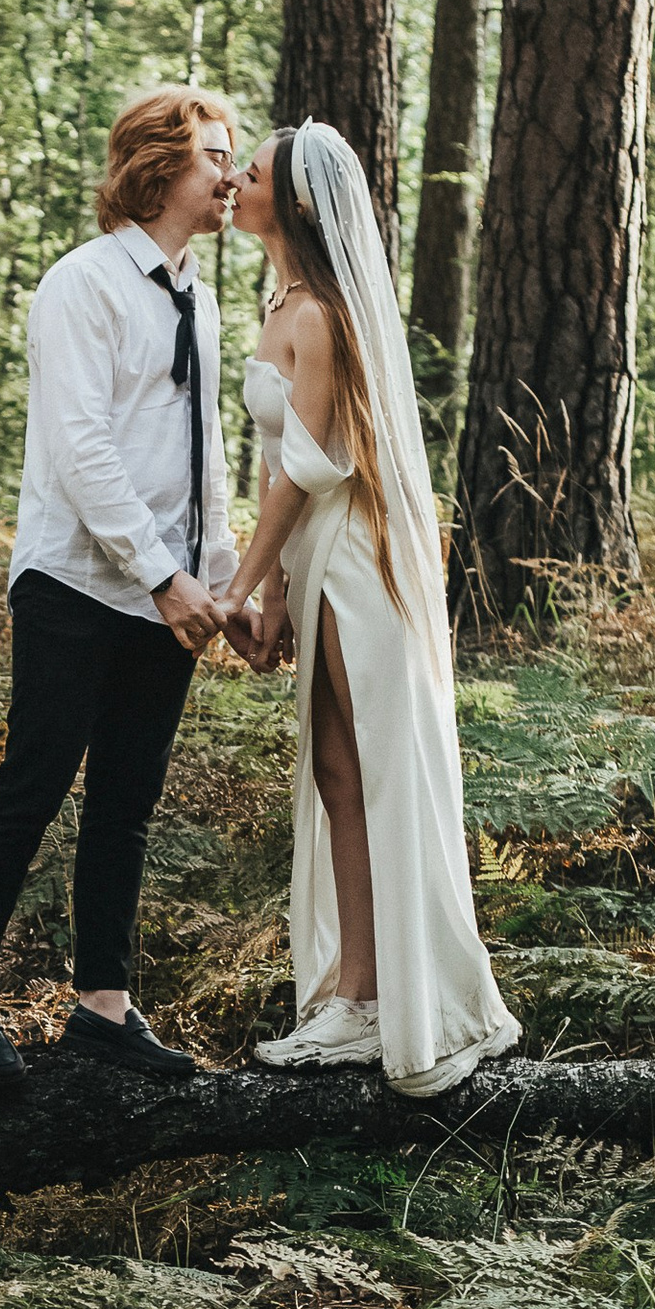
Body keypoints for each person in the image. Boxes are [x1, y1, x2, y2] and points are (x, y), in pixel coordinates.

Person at [0, 87, 241, 1098]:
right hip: (76, 580)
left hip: (167, 593)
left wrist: (220, 584)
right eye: (211, 155)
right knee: (33, 781)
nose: (229, 174)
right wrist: (159, 576)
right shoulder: (84, 284)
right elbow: (79, 448)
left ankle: (103, 1010)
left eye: (232, 154)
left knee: (127, 804)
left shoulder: (197, 294)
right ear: (156, 167)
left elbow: (206, 463)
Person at [220, 122, 519, 1098]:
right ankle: (359, 995)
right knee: (340, 775)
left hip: (353, 564)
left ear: (295, 201)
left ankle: (394, 1002)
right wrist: (268, 590)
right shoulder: (285, 304)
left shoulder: (323, 318)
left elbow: (305, 475)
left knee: (370, 773)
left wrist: (234, 587)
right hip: (312, 566)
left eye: (251, 173)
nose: (233, 182)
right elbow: (276, 467)